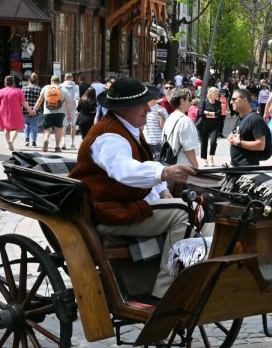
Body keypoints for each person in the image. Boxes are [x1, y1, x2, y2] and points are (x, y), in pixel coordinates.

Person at [68, 77, 195, 302]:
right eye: (142, 104)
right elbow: (124, 170)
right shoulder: (109, 135)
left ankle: (191, 273)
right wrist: (163, 174)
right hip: (111, 211)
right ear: (124, 108)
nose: (148, 108)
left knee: (197, 208)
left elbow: (139, 170)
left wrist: (162, 189)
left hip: (126, 204)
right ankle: (165, 293)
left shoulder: (128, 128)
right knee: (183, 214)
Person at [227, 88, 272, 167]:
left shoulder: (255, 120)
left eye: (234, 99)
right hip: (236, 166)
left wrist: (239, 143)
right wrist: (232, 137)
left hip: (247, 168)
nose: (231, 102)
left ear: (244, 100)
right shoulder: (240, 117)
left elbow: (261, 145)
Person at [162, 88, 201, 169]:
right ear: (182, 101)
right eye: (188, 99)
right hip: (183, 165)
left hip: (170, 163)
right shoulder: (185, 120)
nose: (190, 102)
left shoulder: (170, 117)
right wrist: (196, 166)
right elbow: (189, 149)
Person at [0, 74, 31, 151]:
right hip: (16, 111)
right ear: (13, 83)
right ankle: (11, 141)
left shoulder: (1, 91)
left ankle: (8, 143)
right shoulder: (19, 91)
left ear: (5, 82)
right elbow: (24, 103)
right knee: (14, 128)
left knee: (6, 128)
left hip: (4, 111)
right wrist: (29, 110)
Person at [37, 74, 68, 152]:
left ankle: (46, 140)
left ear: (51, 81)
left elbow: (40, 100)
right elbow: (67, 103)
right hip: (60, 113)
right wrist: (70, 113)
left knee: (48, 129)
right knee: (58, 129)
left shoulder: (45, 88)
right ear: (59, 82)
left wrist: (34, 109)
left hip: (47, 112)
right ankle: (57, 147)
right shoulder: (63, 89)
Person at [197, 87, 224, 167]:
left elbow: (219, 113)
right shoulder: (204, 102)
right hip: (204, 125)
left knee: (213, 142)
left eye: (217, 93)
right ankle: (205, 160)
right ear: (210, 94)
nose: (217, 95)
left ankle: (211, 157)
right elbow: (201, 113)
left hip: (215, 125)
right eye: (215, 93)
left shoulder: (218, 103)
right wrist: (213, 114)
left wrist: (207, 113)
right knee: (204, 142)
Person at [21, 73, 42, 147]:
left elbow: (21, 100)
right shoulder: (39, 89)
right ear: (36, 80)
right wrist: (34, 110)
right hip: (36, 110)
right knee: (34, 126)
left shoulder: (24, 88)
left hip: (25, 109)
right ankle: (34, 142)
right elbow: (41, 101)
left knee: (26, 124)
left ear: (29, 80)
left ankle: (27, 139)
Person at [59, 73, 79, 149]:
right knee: (73, 125)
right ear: (72, 78)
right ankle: (72, 142)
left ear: (65, 78)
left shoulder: (61, 86)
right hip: (73, 107)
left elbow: (60, 98)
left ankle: (63, 141)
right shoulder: (76, 86)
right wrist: (78, 107)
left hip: (63, 107)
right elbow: (76, 97)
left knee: (64, 125)